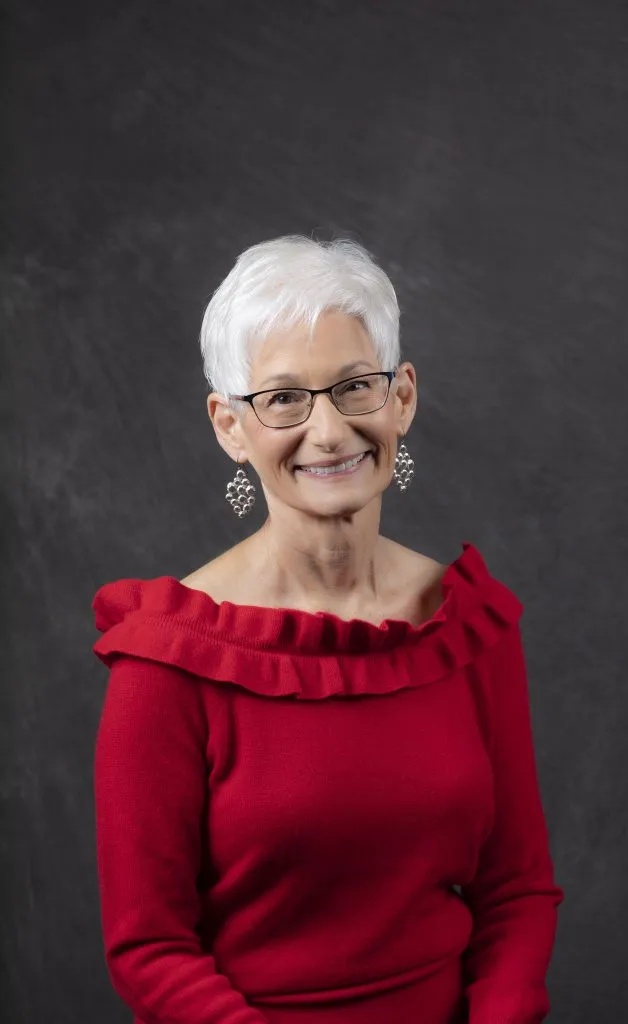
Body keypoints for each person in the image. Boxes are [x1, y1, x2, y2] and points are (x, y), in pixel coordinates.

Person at [91, 235, 564, 1024]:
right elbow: (150, 950)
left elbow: (516, 889)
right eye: (282, 398)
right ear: (230, 427)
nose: (329, 430)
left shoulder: (468, 624)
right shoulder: (166, 660)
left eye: (355, 387)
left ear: (402, 398)